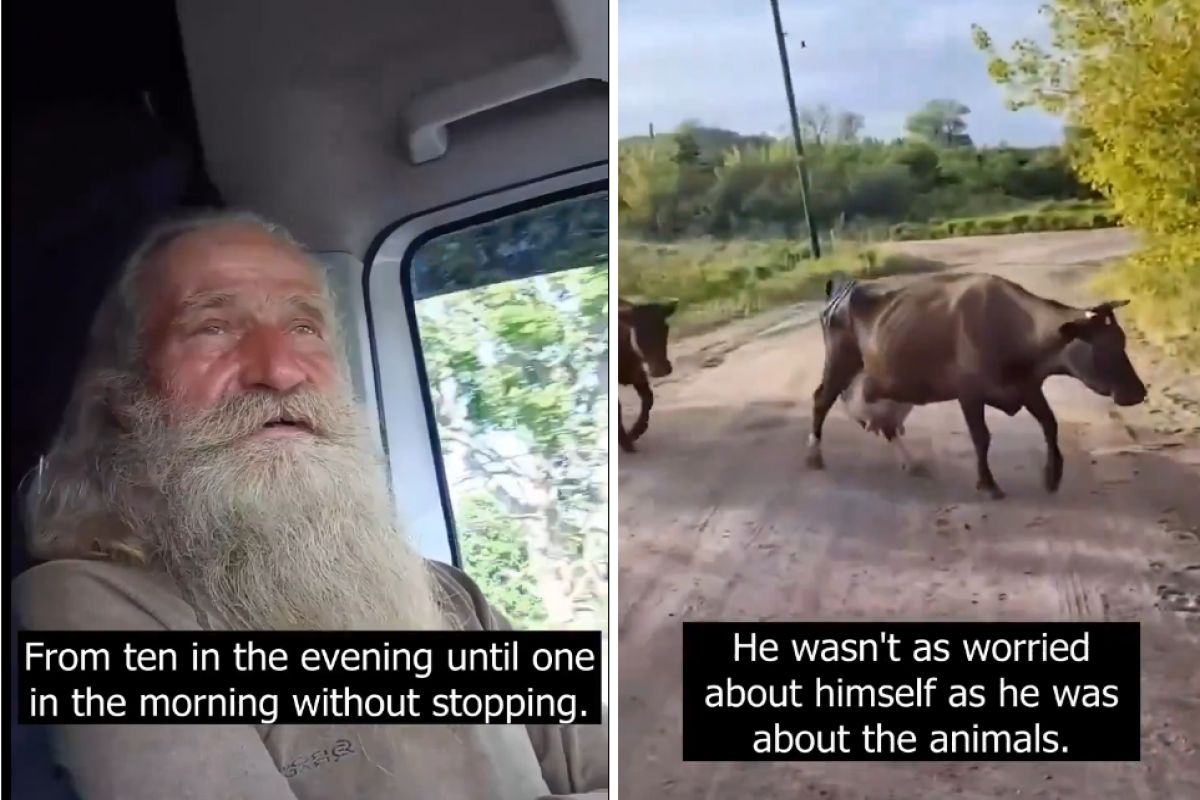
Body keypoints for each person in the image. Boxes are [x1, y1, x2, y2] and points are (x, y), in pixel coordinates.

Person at [14, 209, 608, 800]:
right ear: (124, 397)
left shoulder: (452, 596)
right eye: (212, 327)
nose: (279, 370)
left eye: (305, 328)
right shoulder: (85, 601)